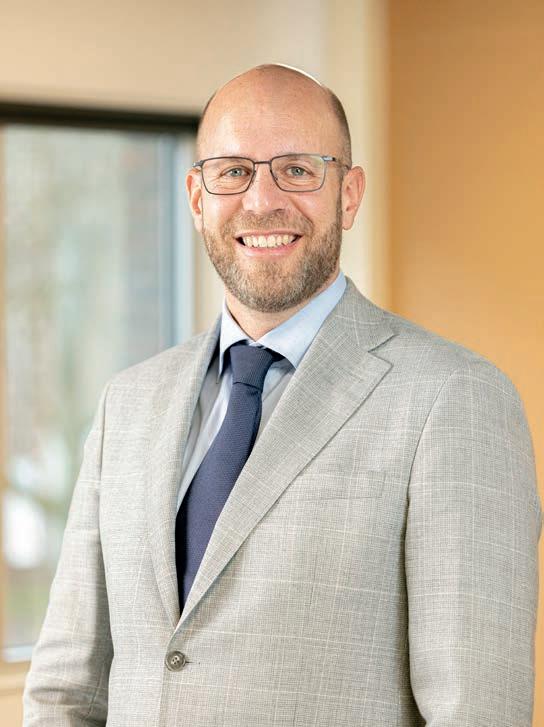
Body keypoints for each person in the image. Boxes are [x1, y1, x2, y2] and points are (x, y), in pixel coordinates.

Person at [23, 64, 542, 727]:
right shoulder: (128, 403)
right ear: (197, 197)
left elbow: (478, 711)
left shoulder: (454, 398)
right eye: (233, 171)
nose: (262, 200)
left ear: (349, 194)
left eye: (297, 170)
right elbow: (65, 693)